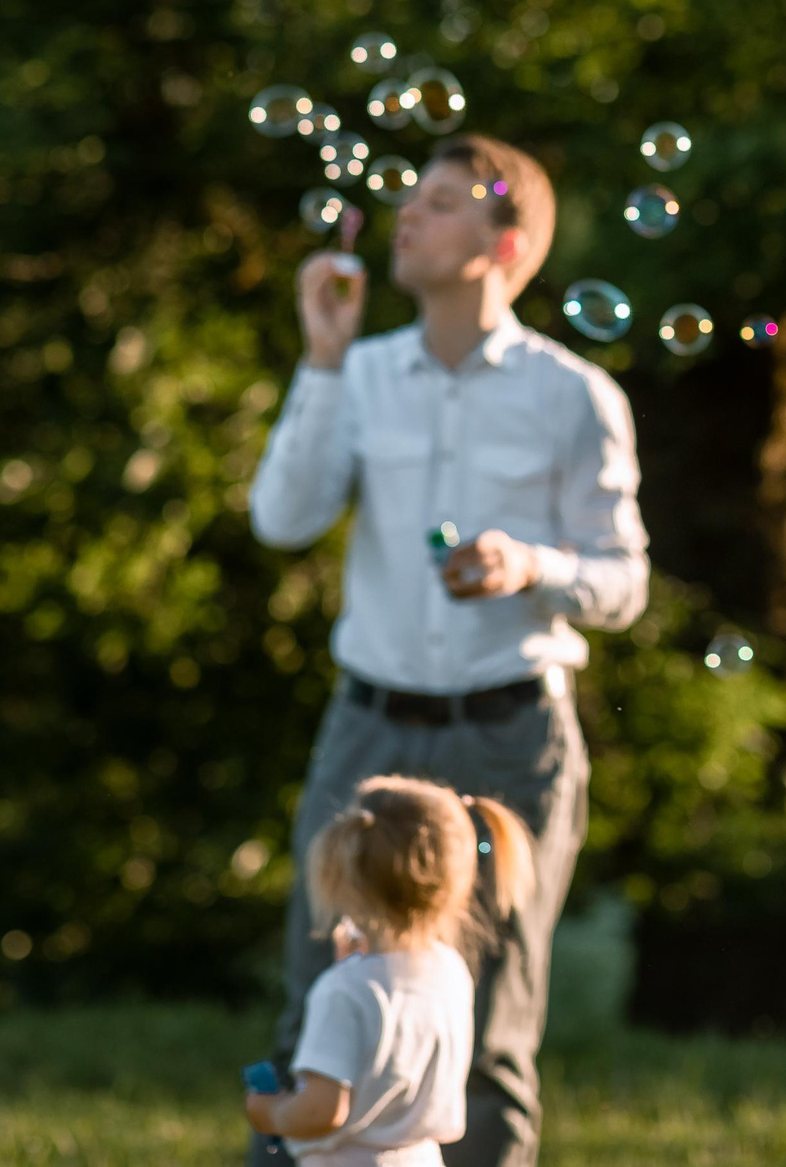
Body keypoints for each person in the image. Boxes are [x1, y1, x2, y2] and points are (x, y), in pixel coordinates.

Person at [249, 133, 650, 1167]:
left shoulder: (573, 395)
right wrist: (323, 358)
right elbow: (283, 519)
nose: (407, 216)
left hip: (509, 736)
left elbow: (623, 582)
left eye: (437, 201)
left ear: (503, 241)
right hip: (368, 731)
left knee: (491, 1027)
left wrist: (533, 565)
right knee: (316, 996)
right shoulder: (363, 372)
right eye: (408, 198)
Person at [244, 776, 534, 1167]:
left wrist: (272, 1112)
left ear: (344, 872)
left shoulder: (342, 991)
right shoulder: (450, 971)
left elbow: (320, 1111)